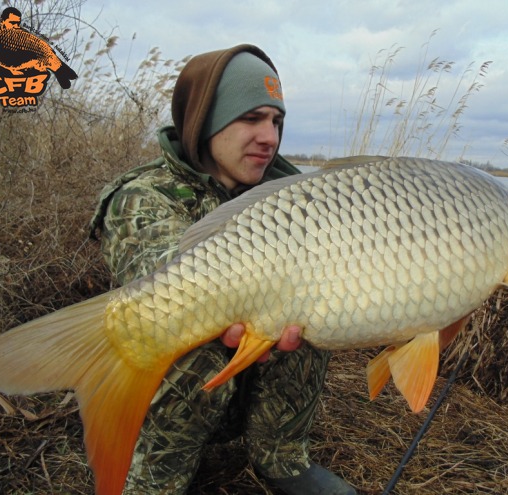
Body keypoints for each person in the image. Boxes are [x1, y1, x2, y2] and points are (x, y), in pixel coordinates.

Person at [89, 44, 356, 495]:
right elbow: (155, 273)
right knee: (191, 319)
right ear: (204, 120)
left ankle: (282, 456)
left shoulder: (294, 198)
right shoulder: (145, 196)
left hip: (253, 385)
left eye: (276, 121)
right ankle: (157, 476)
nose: (269, 137)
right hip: (171, 396)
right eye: (251, 118)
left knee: (310, 303)